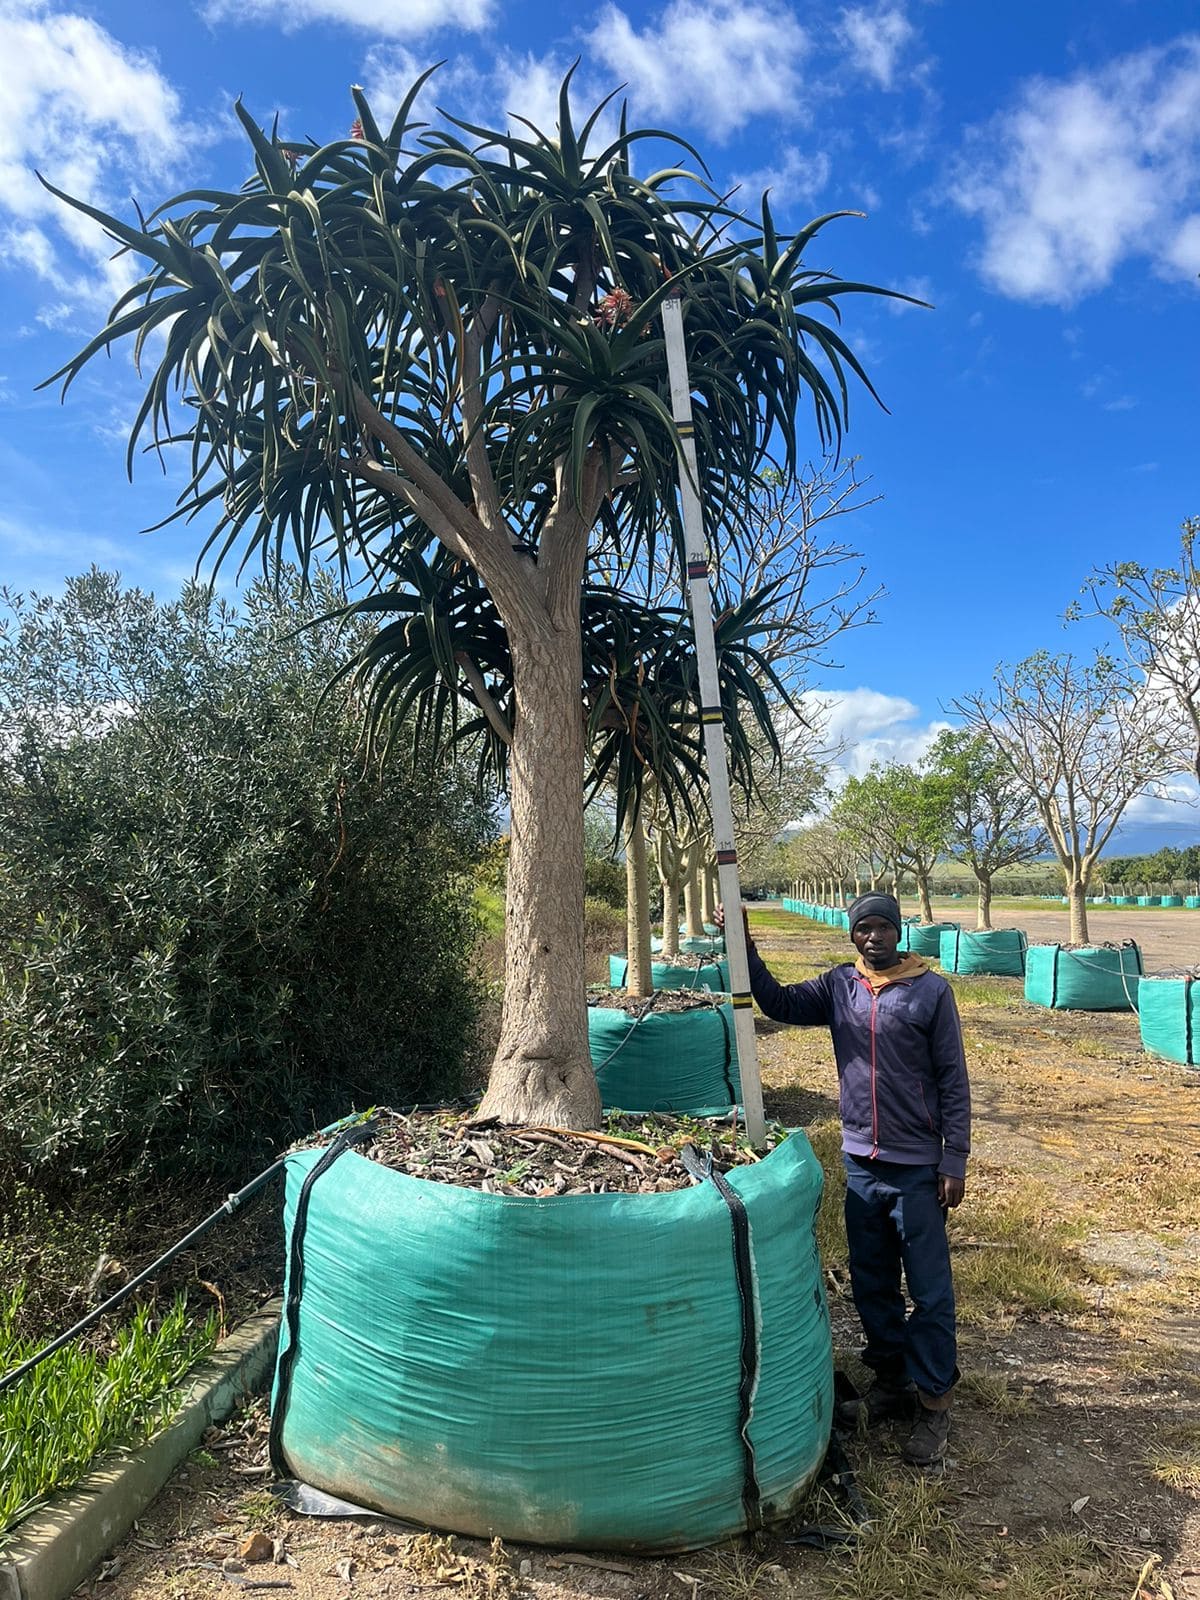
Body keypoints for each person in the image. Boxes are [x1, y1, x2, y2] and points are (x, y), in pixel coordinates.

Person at [715, 891, 970, 1467]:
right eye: (863, 929)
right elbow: (776, 1001)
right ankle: (890, 1383)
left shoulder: (930, 991)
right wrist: (745, 941)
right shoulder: (839, 987)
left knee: (928, 1288)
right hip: (861, 1162)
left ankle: (934, 1402)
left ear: (898, 932)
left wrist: (954, 1158)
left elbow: (952, 1077)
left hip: (916, 1166)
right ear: (853, 935)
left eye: (882, 928)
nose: (873, 938)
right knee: (871, 1277)